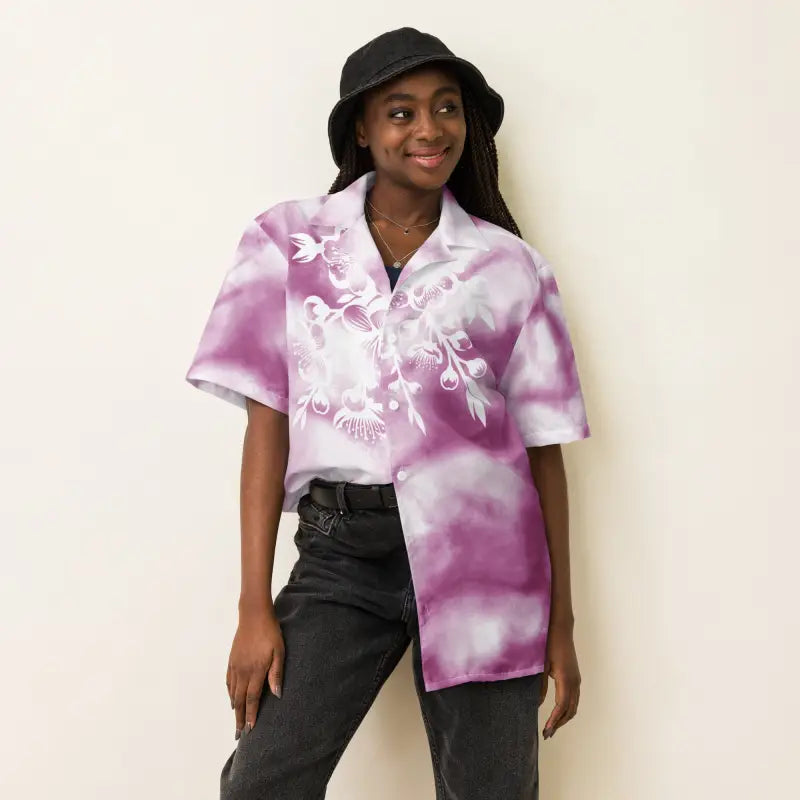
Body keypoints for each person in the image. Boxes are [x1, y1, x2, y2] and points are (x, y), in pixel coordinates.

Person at [185, 25, 591, 800]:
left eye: (447, 107)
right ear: (363, 131)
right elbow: (266, 425)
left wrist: (561, 624)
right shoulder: (286, 243)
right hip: (342, 556)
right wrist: (252, 606)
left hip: (485, 564)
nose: (429, 128)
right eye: (401, 112)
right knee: (261, 783)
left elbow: (544, 451)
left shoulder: (512, 268)